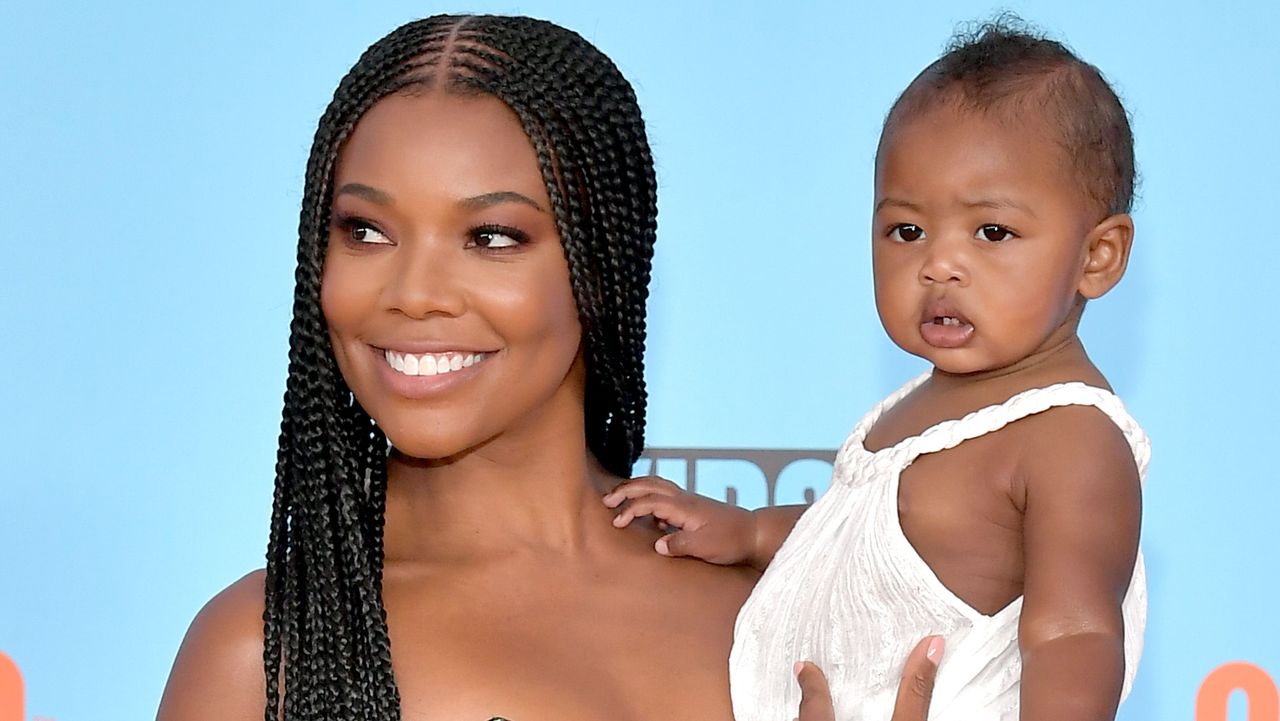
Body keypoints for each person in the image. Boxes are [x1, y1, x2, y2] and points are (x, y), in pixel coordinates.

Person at [155, 14, 940, 721]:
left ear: (599, 267)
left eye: (491, 236)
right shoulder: (262, 657)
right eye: (365, 231)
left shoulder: (782, 592)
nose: (414, 294)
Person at [606, 20, 1148, 721]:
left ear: (1097, 257)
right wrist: (750, 533)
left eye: (992, 232)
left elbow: (1075, 632)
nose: (938, 264)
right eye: (907, 230)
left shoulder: (1070, 436)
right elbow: (861, 544)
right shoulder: (922, 404)